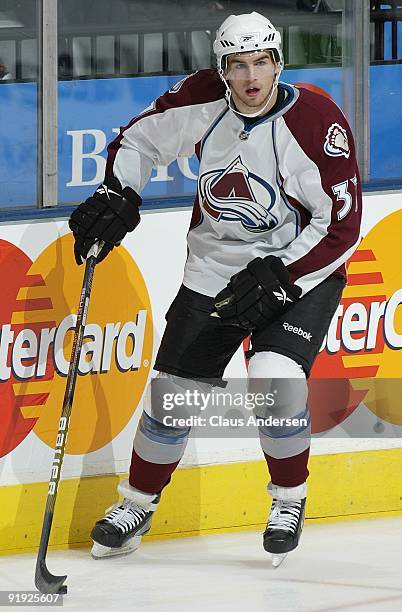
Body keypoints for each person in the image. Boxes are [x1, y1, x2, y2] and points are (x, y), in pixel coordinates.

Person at [69, 11, 362, 566]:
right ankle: (137, 503)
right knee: (175, 393)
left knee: (273, 379)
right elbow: (137, 142)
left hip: (301, 269)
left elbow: (342, 226)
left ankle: (288, 500)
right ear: (222, 68)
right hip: (214, 270)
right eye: (237, 66)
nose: (251, 77)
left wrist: (282, 275)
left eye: (261, 63)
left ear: (278, 62)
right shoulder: (203, 100)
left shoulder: (316, 119)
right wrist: (119, 194)